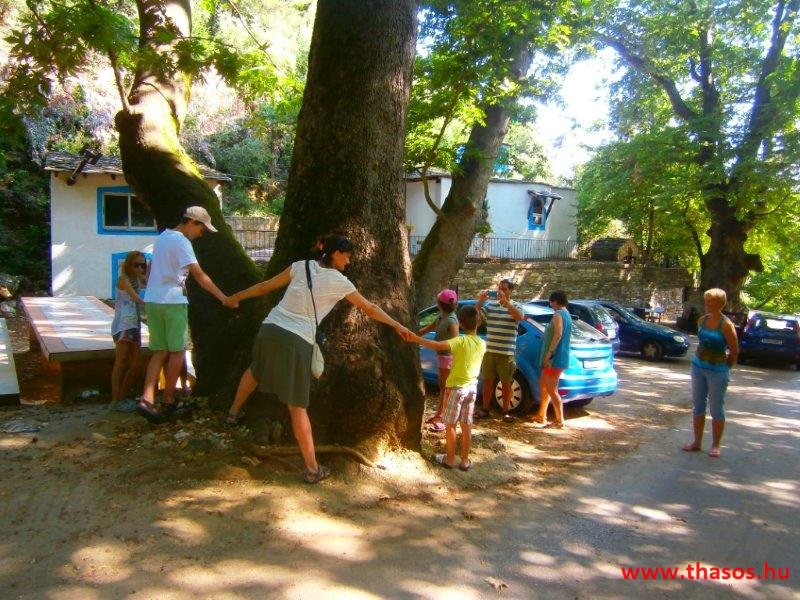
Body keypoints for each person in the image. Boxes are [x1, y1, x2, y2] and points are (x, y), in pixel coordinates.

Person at [225, 234, 410, 483]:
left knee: (256, 370)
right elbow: (370, 309)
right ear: (335, 254)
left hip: (269, 329)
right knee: (297, 407)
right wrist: (397, 325)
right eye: (347, 255)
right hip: (296, 339)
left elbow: (265, 286)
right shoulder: (340, 281)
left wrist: (235, 297)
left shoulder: (300, 266)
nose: (349, 261)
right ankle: (313, 469)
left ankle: (232, 414)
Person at [136, 206, 233, 423]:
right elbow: (198, 274)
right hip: (173, 301)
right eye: (201, 229)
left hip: (153, 299)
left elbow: (150, 270)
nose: (202, 233)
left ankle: (147, 399)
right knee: (178, 351)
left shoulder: (162, 238)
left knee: (159, 351)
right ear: (192, 222)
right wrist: (223, 298)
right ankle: (169, 400)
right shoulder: (182, 242)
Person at [403, 305, 485, 470]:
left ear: (460, 323)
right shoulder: (482, 343)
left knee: (451, 425)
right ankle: (465, 460)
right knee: (467, 425)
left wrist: (415, 338)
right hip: (472, 389)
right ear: (479, 322)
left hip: (456, 388)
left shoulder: (459, 341)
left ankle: (449, 459)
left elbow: (438, 346)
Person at [682, 288, 738, 458]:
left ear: (720, 303)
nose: (707, 304)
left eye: (710, 301)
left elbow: (734, 351)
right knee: (698, 406)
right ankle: (697, 442)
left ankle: (715, 445)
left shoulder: (726, 325)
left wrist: (725, 367)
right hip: (698, 367)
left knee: (716, 409)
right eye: (706, 301)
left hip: (717, 371)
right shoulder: (701, 321)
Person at [475, 279, 525, 422]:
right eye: (499, 289)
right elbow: (477, 321)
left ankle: (506, 412)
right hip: (490, 351)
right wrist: (480, 302)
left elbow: (519, 317)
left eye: (504, 289)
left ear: (511, 290)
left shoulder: (516, 305)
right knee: (487, 382)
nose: (501, 291)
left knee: (506, 383)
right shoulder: (490, 306)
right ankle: (485, 409)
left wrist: (506, 302)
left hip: (506, 353)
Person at [417, 289, 459, 432]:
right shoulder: (441, 317)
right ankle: (440, 414)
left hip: (448, 358)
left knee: (446, 388)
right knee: (443, 387)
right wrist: (413, 334)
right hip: (442, 357)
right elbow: (428, 328)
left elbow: (456, 341)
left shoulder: (452, 320)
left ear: (440, 304)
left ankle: (444, 418)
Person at [529, 290, 572, 429]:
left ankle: (560, 421)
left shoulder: (558, 315)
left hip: (555, 358)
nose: (550, 304)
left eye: (552, 301)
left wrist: (550, 352)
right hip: (559, 356)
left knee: (552, 389)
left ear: (556, 301)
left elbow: (558, 334)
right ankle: (541, 414)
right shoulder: (567, 314)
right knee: (543, 384)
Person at [110, 251, 147, 404]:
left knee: (137, 364)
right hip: (123, 325)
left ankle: (121, 397)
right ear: (129, 265)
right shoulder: (123, 279)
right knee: (121, 361)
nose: (140, 268)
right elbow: (137, 298)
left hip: (135, 324)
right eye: (136, 265)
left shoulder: (137, 279)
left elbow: (151, 282)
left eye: (142, 265)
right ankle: (115, 400)